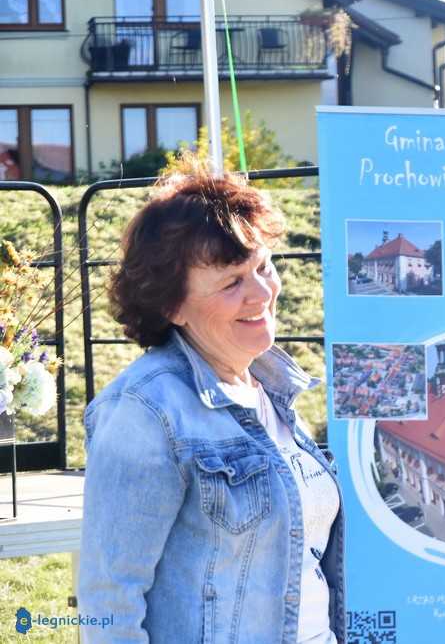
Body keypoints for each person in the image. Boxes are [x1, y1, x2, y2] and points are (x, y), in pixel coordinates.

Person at [78, 169, 346, 642]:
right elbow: (109, 602)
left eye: (263, 266)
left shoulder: (272, 386)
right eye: (231, 283)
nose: (262, 293)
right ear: (172, 307)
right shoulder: (145, 410)